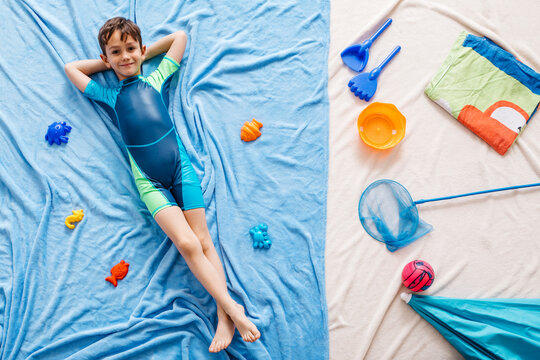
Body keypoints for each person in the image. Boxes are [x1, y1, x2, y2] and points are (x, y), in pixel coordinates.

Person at [64, 17, 260, 353]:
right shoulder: (110, 96)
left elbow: (179, 37)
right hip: (149, 180)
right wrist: (107, 61)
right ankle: (232, 307)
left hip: (180, 168)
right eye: (116, 52)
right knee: (187, 244)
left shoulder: (154, 79)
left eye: (130, 49)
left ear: (140, 50)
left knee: (202, 239)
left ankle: (225, 316)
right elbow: (72, 68)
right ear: (106, 57)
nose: (125, 56)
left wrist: (140, 53)